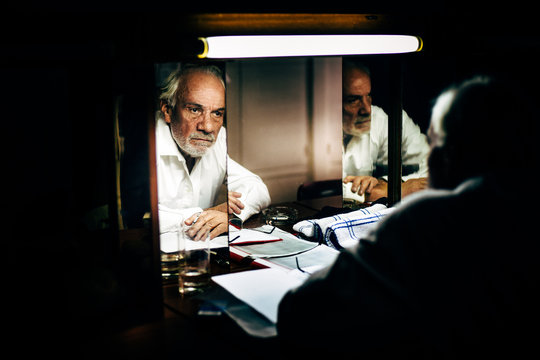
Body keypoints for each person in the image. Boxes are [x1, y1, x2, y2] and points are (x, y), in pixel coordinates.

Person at [278, 76, 540, 358]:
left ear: (443, 157)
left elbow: (300, 310)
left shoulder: (428, 219)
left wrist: (394, 186)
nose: (365, 107)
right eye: (353, 99)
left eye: (435, 144)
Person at [156, 63, 271, 240]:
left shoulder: (218, 139)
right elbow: (142, 218)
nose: (208, 127)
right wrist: (210, 212)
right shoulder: (145, 146)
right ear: (168, 110)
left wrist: (231, 216)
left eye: (217, 113)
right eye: (195, 110)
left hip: (204, 254)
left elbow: (258, 188)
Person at [342, 59, 430, 201]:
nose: (367, 110)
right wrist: (393, 191)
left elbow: (431, 162)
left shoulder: (383, 119)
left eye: (368, 96)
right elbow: (320, 193)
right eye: (353, 100)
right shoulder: (309, 131)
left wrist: (387, 183)